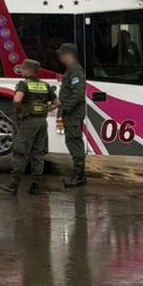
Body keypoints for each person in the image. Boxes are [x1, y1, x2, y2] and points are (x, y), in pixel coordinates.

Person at [0, 59, 59, 196]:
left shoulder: (23, 84)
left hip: (28, 122)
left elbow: (17, 100)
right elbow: (56, 103)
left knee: (20, 152)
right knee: (38, 154)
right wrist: (44, 110)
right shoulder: (45, 85)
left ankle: (13, 186)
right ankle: (35, 187)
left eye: (23, 69)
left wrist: (19, 110)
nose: (22, 71)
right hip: (42, 123)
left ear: (28, 70)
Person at [57, 43, 87, 188]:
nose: (60, 57)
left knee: (75, 143)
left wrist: (66, 108)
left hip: (73, 114)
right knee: (72, 141)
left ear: (68, 55)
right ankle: (78, 174)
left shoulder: (75, 70)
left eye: (61, 54)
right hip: (71, 113)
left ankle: (79, 176)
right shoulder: (71, 69)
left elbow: (78, 94)